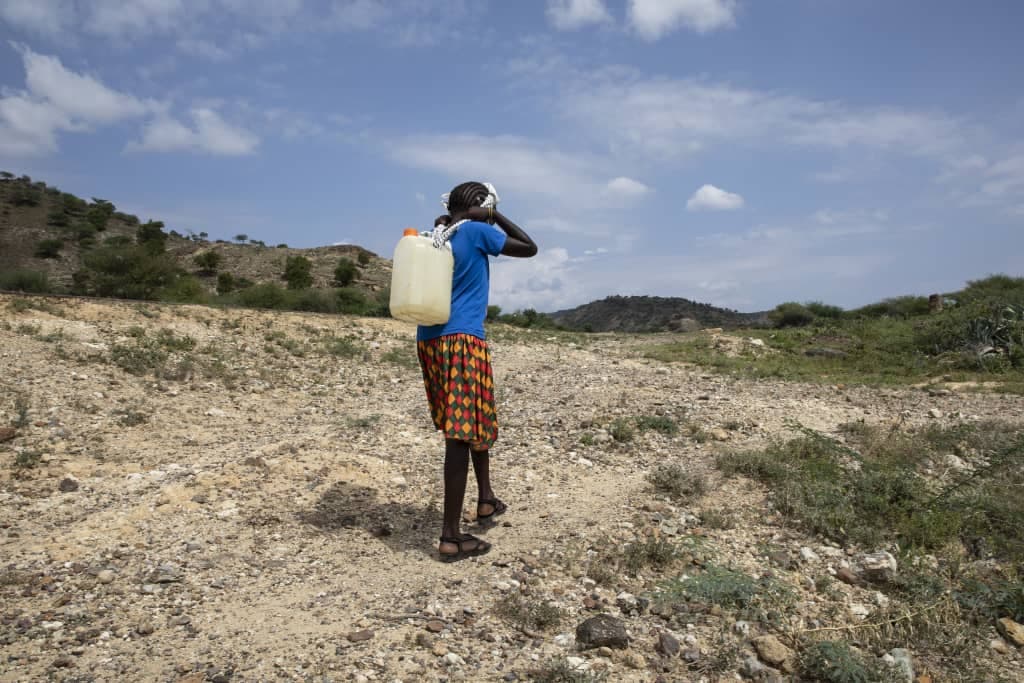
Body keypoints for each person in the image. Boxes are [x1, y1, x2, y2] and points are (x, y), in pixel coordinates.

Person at [416, 181, 537, 562]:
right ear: (480, 206)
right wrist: (493, 216)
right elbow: (529, 247)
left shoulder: (437, 234)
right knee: (460, 434)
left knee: (473, 422)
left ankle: (486, 498)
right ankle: (451, 537)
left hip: (430, 340)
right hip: (463, 341)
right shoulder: (475, 230)